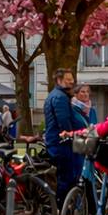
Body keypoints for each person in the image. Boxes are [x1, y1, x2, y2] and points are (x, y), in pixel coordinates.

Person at [44, 69, 83, 207]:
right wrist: (72, 135)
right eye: (68, 79)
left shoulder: (56, 95)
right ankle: (63, 210)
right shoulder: (60, 97)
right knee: (66, 177)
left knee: (64, 177)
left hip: (57, 142)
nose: (72, 82)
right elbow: (64, 121)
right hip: (61, 144)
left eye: (72, 79)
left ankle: (63, 210)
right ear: (59, 80)